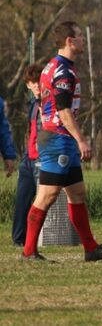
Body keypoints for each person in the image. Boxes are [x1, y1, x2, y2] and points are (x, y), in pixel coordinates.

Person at [21, 21, 102, 262]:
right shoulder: (62, 71)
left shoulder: (54, 66)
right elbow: (63, 110)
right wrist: (81, 140)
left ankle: (91, 249)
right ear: (70, 41)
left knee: (77, 193)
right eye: (80, 36)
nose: (83, 40)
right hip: (58, 138)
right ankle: (29, 251)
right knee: (47, 194)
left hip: (61, 138)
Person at [12, 64, 43, 247]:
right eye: (33, 82)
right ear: (28, 85)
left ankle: (38, 238)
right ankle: (18, 239)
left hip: (42, 158)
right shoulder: (32, 104)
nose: (37, 85)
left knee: (41, 201)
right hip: (28, 158)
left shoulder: (49, 103)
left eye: (39, 81)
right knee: (22, 199)